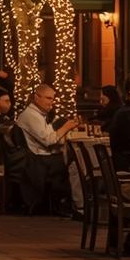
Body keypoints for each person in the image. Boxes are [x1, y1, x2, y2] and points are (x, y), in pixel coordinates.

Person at [15, 84, 83, 212]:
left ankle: (73, 203)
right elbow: (48, 140)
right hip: (38, 160)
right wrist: (66, 127)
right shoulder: (31, 116)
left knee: (73, 159)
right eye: (48, 98)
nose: (51, 102)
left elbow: (49, 135)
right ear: (36, 97)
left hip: (41, 157)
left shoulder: (39, 114)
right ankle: (72, 204)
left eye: (52, 99)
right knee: (74, 164)